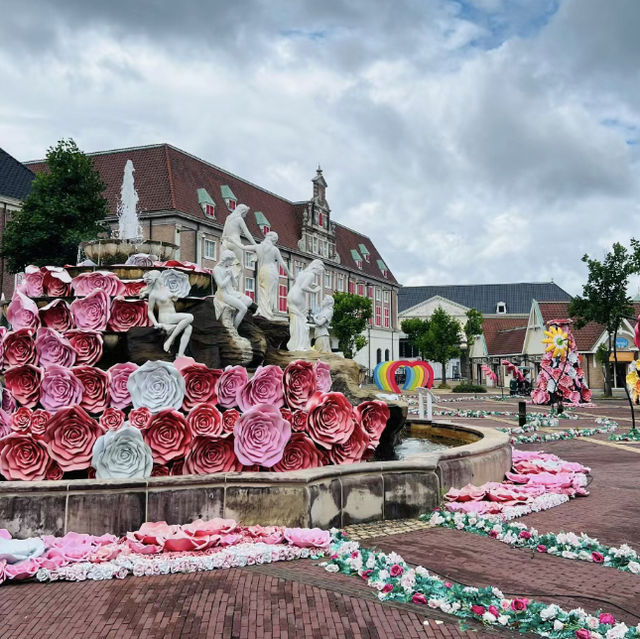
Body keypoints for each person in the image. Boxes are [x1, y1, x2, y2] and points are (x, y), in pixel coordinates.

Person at [141, 270, 194, 358]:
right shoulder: (153, 294)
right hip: (165, 317)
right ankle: (170, 340)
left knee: (189, 327)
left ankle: (180, 354)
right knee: (190, 317)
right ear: (158, 279)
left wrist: (174, 298)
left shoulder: (166, 288)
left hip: (172, 315)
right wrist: (156, 323)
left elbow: (171, 300)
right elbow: (149, 311)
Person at [287, 259, 324, 351]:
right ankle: (301, 344)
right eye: (320, 271)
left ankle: (294, 343)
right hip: (298, 296)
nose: (319, 273)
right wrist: (314, 291)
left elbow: (300, 284)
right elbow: (303, 287)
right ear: (316, 268)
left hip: (291, 294)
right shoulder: (311, 275)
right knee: (301, 320)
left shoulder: (303, 272)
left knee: (295, 320)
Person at [254, 231, 290, 320]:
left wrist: (236, 243)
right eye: (275, 241)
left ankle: (262, 311)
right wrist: (289, 274)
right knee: (269, 293)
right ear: (272, 239)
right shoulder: (274, 249)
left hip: (263, 271)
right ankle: (265, 311)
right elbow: (282, 263)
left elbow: (245, 246)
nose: (275, 243)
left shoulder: (259, 247)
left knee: (264, 292)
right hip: (271, 271)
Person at [213, 250, 253, 329]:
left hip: (231, 292)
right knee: (243, 309)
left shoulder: (229, 269)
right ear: (226, 259)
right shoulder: (217, 269)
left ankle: (235, 316)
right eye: (231, 260)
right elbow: (221, 285)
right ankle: (235, 328)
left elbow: (235, 285)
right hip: (223, 294)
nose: (231, 263)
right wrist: (228, 277)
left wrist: (231, 275)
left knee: (249, 301)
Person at [220, 204, 257, 285]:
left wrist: (222, 242)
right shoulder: (239, 219)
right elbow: (247, 233)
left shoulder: (228, 218)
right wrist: (255, 245)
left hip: (226, 242)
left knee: (225, 266)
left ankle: (226, 286)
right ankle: (235, 288)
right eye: (245, 213)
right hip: (235, 242)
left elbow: (224, 233)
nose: (245, 215)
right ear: (242, 211)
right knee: (239, 266)